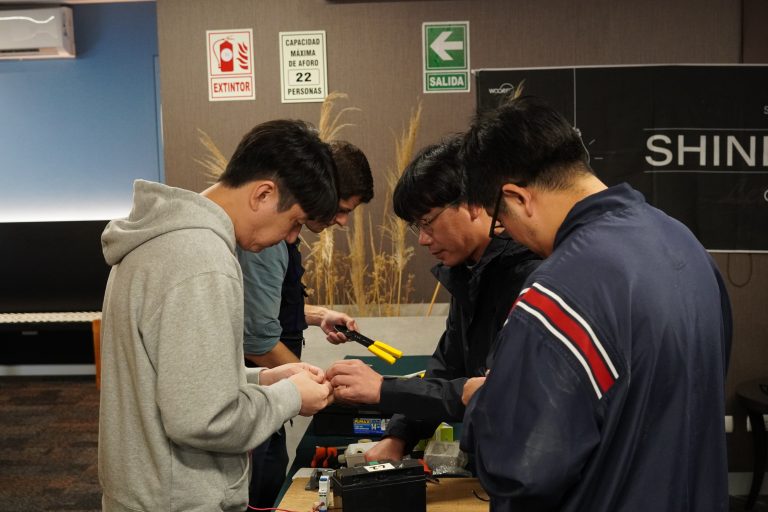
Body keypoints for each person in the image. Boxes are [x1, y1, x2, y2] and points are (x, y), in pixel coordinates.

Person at [458, 96, 733, 511]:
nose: (508, 234)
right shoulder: (685, 244)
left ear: (517, 198)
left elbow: (521, 469)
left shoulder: (560, 289)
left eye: (501, 221)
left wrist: (486, 400)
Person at [98, 119, 338, 512]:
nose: (292, 237)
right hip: (179, 500)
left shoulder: (160, 241)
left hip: (147, 492)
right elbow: (204, 419)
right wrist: (290, 397)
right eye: (295, 222)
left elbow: (174, 378)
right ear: (263, 194)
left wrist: (263, 378)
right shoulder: (204, 261)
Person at [325, 137, 540, 462]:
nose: (423, 239)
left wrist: (383, 388)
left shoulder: (529, 276)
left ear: (472, 203)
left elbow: (491, 391)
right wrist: (399, 436)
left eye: (427, 223)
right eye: (417, 227)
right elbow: (447, 368)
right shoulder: (469, 271)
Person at [240, 140, 374, 508]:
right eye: (342, 210)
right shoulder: (268, 240)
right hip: (257, 395)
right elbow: (257, 338)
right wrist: (317, 384)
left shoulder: (281, 237)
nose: (343, 222)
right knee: (262, 488)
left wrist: (317, 315)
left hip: (269, 388)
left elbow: (265, 307)